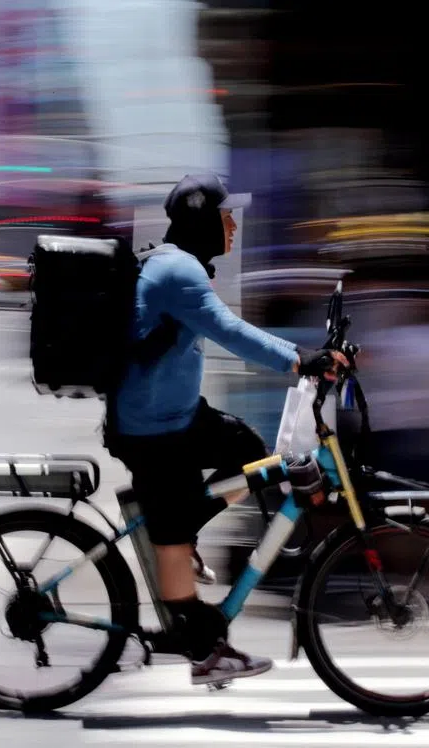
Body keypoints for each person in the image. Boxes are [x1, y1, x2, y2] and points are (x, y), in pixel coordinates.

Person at [104, 173, 346, 686]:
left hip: (177, 416)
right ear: (202, 220)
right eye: (225, 216)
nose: (233, 225)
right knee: (174, 523)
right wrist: (301, 359)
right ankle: (204, 652)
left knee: (248, 452)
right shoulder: (178, 271)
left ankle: (181, 529)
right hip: (152, 427)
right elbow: (231, 332)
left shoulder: (180, 265)